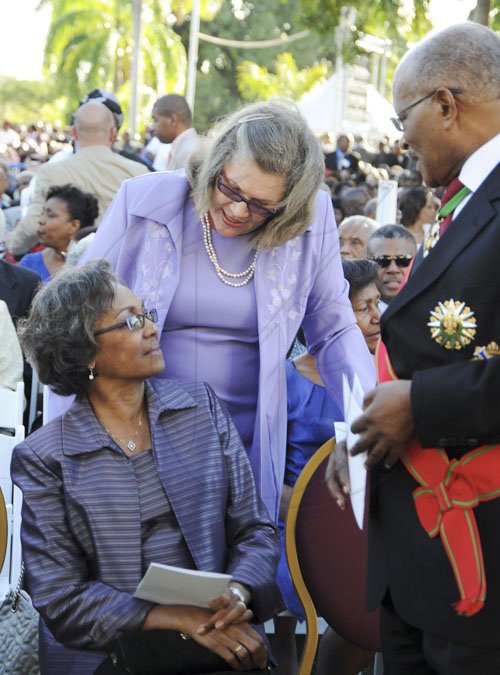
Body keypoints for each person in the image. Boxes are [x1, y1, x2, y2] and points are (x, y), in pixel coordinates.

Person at [74, 101, 375, 521]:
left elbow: (335, 329)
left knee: (231, 578)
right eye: (230, 189)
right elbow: (75, 323)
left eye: (260, 206)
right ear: (214, 162)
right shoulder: (145, 201)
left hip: (244, 452)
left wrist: (368, 416)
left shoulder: (312, 219)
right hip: (133, 443)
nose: (237, 211)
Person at [327, 22, 500, 675]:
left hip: (482, 581)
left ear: (447, 105)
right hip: (416, 568)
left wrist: (419, 405)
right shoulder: (461, 198)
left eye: (405, 116)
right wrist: (366, 434)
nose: (399, 136)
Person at [12, 260, 283, 675]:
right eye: (131, 321)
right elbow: (61, 597)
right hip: (111, 652)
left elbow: (254, 530)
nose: (152, 328)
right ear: (85, 351)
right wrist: (177, 618)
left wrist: (239, 592)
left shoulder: (199, 408)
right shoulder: (47, 456)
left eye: (146, 314)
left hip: (220, 634)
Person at [274, 257, 381, 673]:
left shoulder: (383, 374)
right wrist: (303, 509)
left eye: (377, 304)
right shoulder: (283, 380)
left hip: (371, 520)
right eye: (362, 308)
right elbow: (261, 469)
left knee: (379, 594)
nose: (376, 317)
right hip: (295, 521)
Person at [5, 102, 148, 256]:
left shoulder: (51, 172)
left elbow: (33, 225)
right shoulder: (137, 172)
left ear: (74, 132)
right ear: (113, 134)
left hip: (68, 267)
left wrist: (13, 245)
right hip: (123, 264)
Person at [18, 184, 98, 282]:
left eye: (50, 215)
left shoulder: (93, 266)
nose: (41, 220)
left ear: (73, 226)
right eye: (42, 213)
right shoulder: (29, 264)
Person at [366, 225, 417, 310]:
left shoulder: (433, 311)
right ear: (367, 264)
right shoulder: (352, 316)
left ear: (415, 262)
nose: (393, 270)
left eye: (402, 260)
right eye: (382, 260)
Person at [152, 94, 200, 170]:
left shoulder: (189, 154)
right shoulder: (186, 148)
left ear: (173, 120)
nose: (152, 127)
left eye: (156, 120)